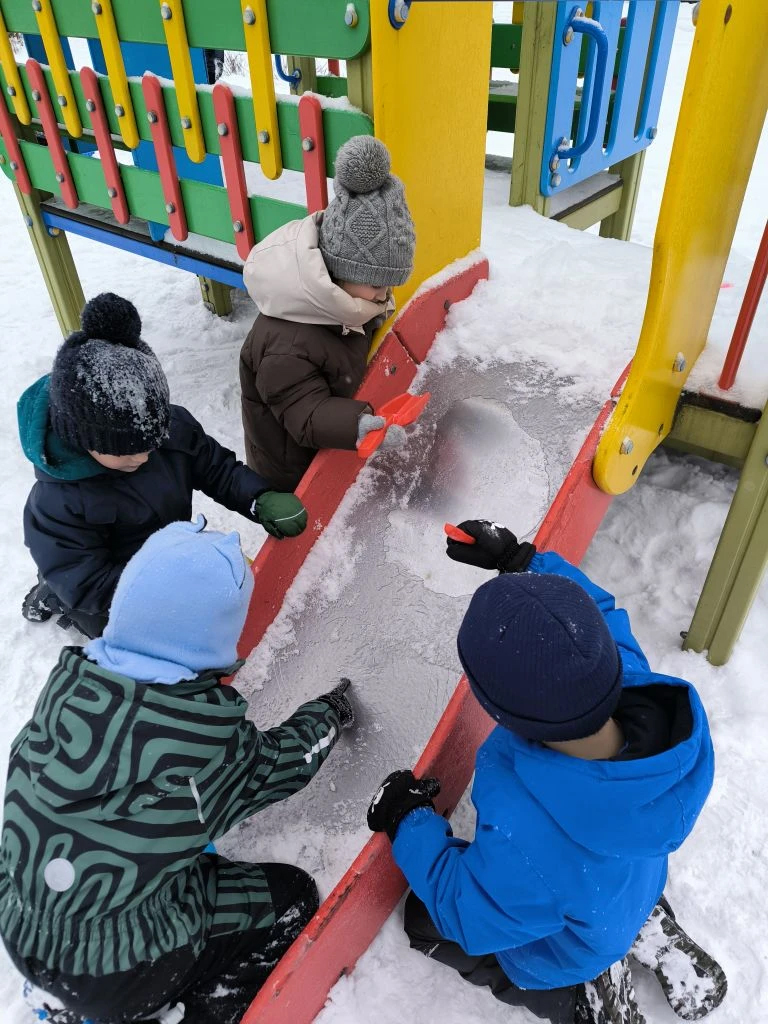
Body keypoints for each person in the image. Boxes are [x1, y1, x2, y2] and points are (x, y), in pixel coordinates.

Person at [368, 520, 727, 1024]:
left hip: (568, 948)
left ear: (501, 711)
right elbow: (597, 615)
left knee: (425, 921)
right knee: (593, 890)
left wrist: (408, 819)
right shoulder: (636, 686)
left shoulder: (529, 837)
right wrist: (522, 563)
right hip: (631, 882)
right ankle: (643, 922)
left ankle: (581, 1003)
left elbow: (469, 912)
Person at [0, 517, 355, 1024]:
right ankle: (191, 1010)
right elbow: (283, 765)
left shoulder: (62, 702)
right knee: (290, 897)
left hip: (21, 924)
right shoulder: (203, 755)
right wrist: (327, 715)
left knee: (161, 852)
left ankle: (67, 993)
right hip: (115, 972)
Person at [19, 292, 307, 639]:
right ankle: (51, 593)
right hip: (111, 589)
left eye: (151, 445)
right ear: (84, 440)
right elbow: (88, 585)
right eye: (126, 452)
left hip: (169, 555)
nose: (142, 457)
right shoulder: (57, 503)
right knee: (119, 629)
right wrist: (167, 585)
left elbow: (217, 469)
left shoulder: (171, 430)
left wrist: (258, 498)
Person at [240, 135, 416, 491]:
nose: (383, 295)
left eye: (389, 284)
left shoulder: (345, 303)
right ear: (339, 271)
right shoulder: (287, 345)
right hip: (292, 472)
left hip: (327, 452)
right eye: (375, 283)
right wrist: (357, 426)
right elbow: (305, 412)